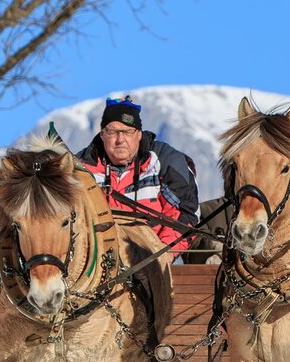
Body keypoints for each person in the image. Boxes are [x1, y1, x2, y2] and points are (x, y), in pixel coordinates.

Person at [75, 96, 200, 258]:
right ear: (102, 135)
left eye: (127, 132)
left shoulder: (165, 161)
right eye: (112, 132)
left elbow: (186, 214)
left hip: (156, 259)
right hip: (97, 263)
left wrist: (163, 254)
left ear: (139, 134)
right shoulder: (80, 169)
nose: (120, 140)